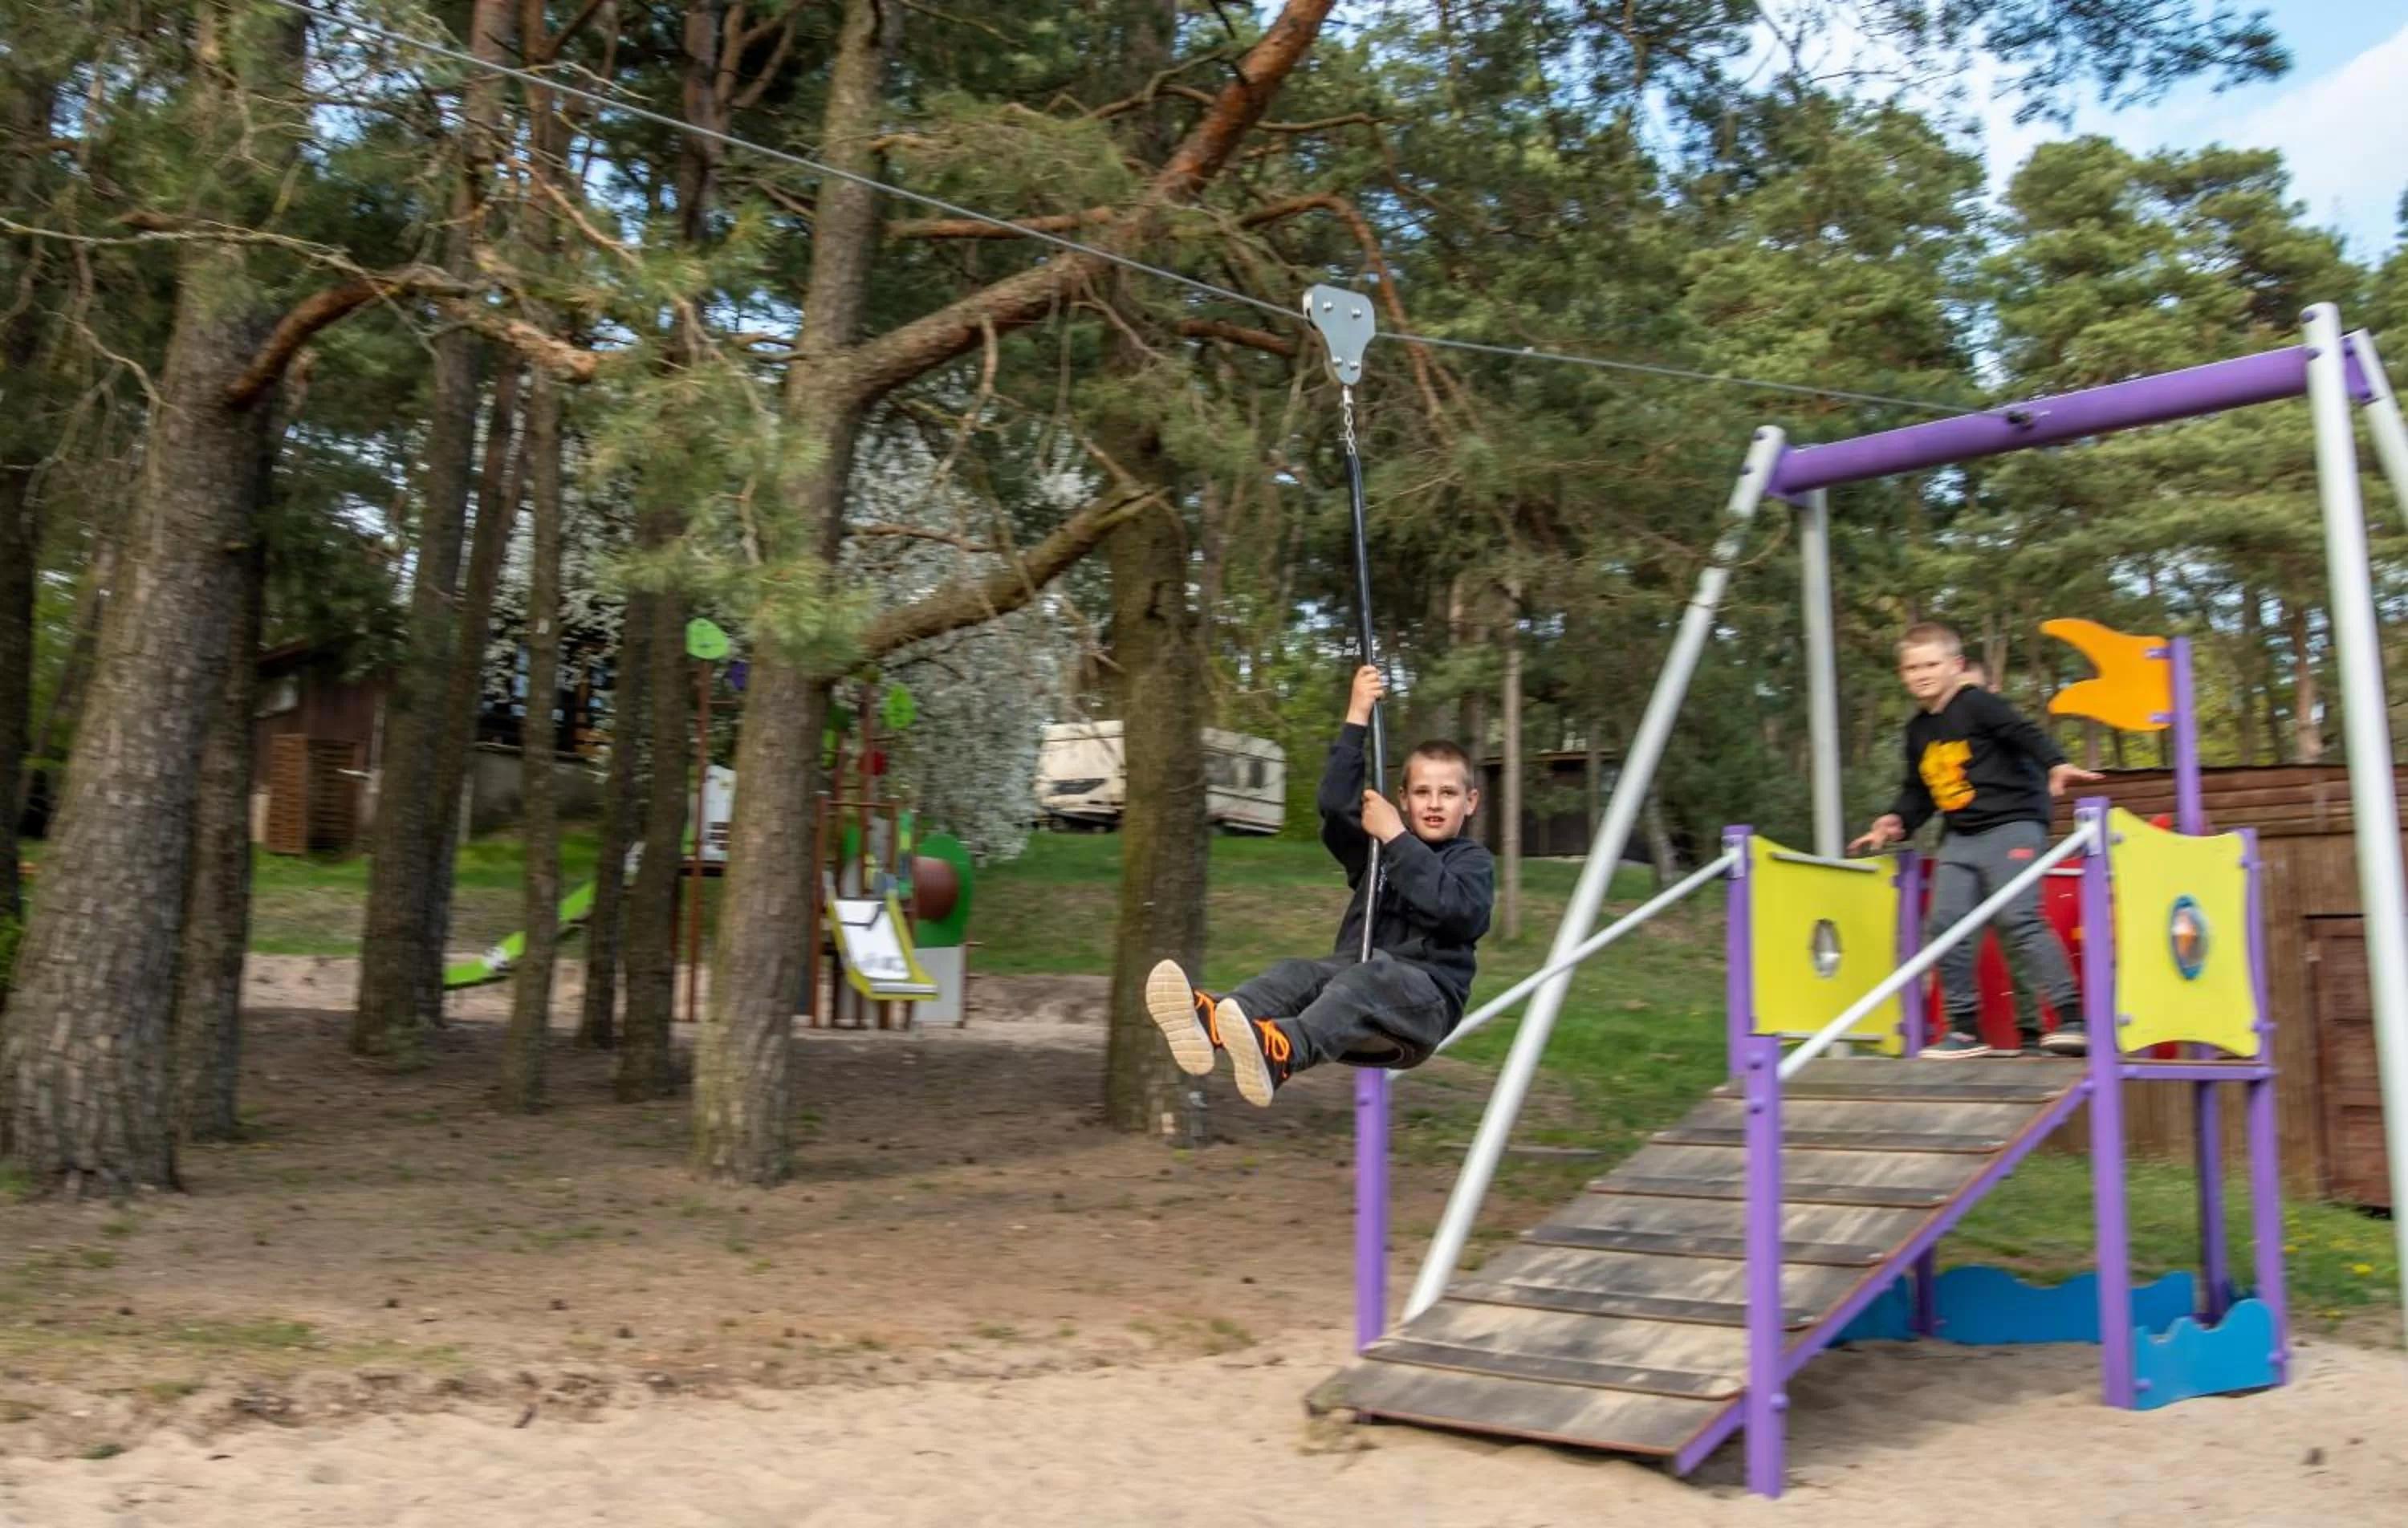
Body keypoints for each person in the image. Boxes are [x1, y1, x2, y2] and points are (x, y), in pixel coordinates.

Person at [1145, 664, 1495, 1107]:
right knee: (1300, 973)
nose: (1434, 804)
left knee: (1368, 978)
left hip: (1421, 1010)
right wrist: (1356, 715)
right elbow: (1335, 804)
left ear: (1471, 801)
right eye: (1423, 792)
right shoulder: (1377, 851)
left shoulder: (1471, 862)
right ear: (1403, 799)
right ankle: (1212, 1021)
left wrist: (1396, 837)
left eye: (1448, 793)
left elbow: (1455, 909)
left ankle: (1283, 1050)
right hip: (1358, 994)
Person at [1849, 622, 2101, 1059]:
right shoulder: (1917, 732)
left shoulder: (1977, 704)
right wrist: (1895, 821)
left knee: (2019, 918)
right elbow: (1920, 791)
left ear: (1955, 666)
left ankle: (2072, 1019)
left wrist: (2056, 764)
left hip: (2013, 823)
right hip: (1962, 835)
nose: (1922, 674)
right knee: (1946, 925)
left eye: (1931, 664)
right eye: (1912, 667)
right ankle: (1964, 1030)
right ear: (1902, 674)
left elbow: (2023, 733)